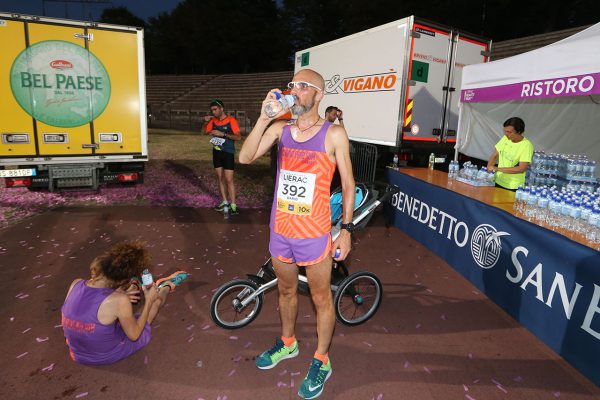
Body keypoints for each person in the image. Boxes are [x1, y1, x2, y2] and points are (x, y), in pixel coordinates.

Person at [239, 69, 355, 399]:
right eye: (293, 85)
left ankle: (321, 359)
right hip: (281, 232)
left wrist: (345, 230)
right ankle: (288, 343)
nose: (295, 90)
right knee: (286, 292)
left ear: (319, 95)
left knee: (321, 298)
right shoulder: (281, 129)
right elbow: (245, 157)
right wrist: (263, 118)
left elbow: (348, 185)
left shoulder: (334, 134)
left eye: (303, 86)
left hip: (314, 235)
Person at [61, 241, 188, 365]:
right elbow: (134, 335)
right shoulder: (119, 300)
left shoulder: (75, 283)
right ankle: (165, 286)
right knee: (154, 303)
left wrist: (120, 296)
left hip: (77, 354)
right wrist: (148, 300)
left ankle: (135, 283)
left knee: (119, 302)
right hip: (106, 355)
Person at [202, 99, 241, 214]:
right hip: (216, 153)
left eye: (215, 109)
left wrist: (223, 134)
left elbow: (238, 137)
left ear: (221, 109)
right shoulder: (213, 121)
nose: (213, 112)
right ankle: (225, 202)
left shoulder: (231, 120)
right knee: (220, 178)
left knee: (229, 179)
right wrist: (205, 122)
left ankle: (233, 205)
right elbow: (204, 132)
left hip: (228, 153)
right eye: (212, 110)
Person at [487, 117, 534, 191]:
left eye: (509, 132)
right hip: (498, 181)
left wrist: (497, 169)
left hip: (513, 186)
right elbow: (495, 154)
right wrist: (489, 167)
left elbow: (522, 168)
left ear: (519, 132)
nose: (506, 134)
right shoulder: (505, 138)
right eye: (505, 131)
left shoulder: (527, 145)